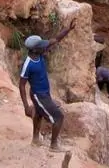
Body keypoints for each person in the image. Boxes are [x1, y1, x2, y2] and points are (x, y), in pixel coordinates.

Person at [19, 20, 76, 152]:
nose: (45, 46)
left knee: (38, 114)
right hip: (39, 95)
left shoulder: (39, 53)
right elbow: (21, 85)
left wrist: (68, 29)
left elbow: (55, 40)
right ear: (34, 49)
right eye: (41, 45)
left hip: (44, 93)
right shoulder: (28, 64)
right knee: (59, 117)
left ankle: (35, 140)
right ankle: (54, 146)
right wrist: (26, 106)